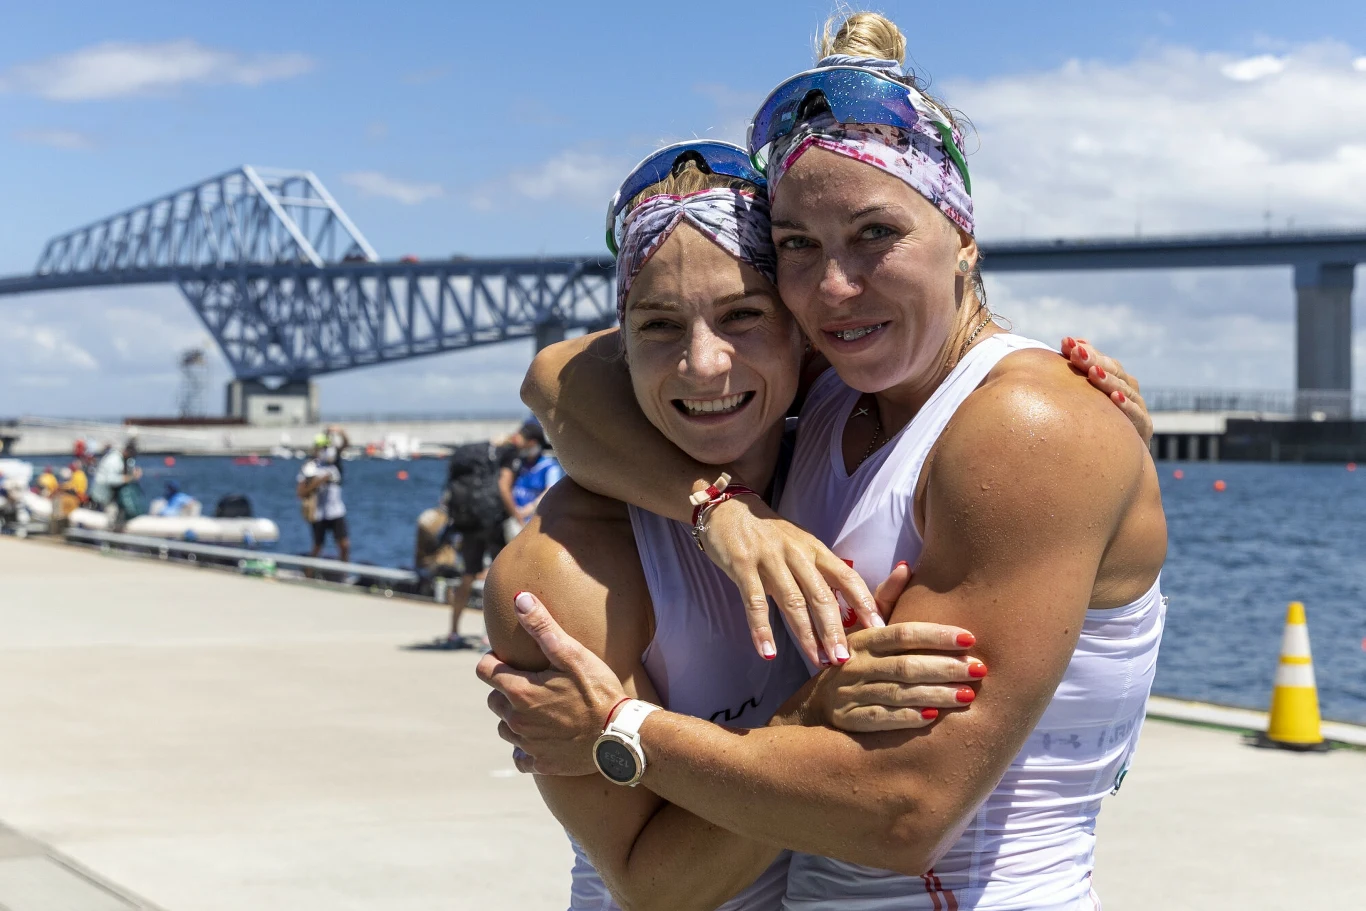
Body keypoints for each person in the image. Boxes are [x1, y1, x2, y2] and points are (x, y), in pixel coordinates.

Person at [482, 13, 1165, 911]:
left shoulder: (1027, 424)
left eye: (876, 234)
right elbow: (560, 377)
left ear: (963, 235)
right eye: (799, 246)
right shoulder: (835, 390)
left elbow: (906, 809)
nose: (835, 289)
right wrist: (718, 507)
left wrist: (619, 727)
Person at [432, 422, 544, 649]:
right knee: (498, 578)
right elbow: (503, 487)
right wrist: (518, 519)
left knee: (468, 575)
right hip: (493, 523)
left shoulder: (489, 447)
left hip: (471, 522)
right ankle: (488, 635)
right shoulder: (510, 453)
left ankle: (453, 631)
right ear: (532, 442)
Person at [506, 424, 565, 537]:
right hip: (515, 520)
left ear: (533, 443)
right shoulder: (519, 463)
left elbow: (550, 491)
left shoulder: (549, 466)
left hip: (535, 523)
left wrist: (529, 509)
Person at [297, 442, 349, 562]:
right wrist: (319, 481)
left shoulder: (336, 465)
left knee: (344, 545)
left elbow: (345, 443)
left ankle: (343, 576)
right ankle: (309, 574)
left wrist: (337, 431)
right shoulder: (310, 467)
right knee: (317, 546)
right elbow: (300, 493)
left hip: (336, 512)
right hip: (318, 514)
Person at [90, 440, 142, 519]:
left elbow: (127, 471)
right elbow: (110, 480)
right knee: (111, 512)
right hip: (103, 495)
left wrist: (134, 473)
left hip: (112, 494)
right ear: (126, 451)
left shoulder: (124, 460)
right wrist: (127, 478)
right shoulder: (114, 460)